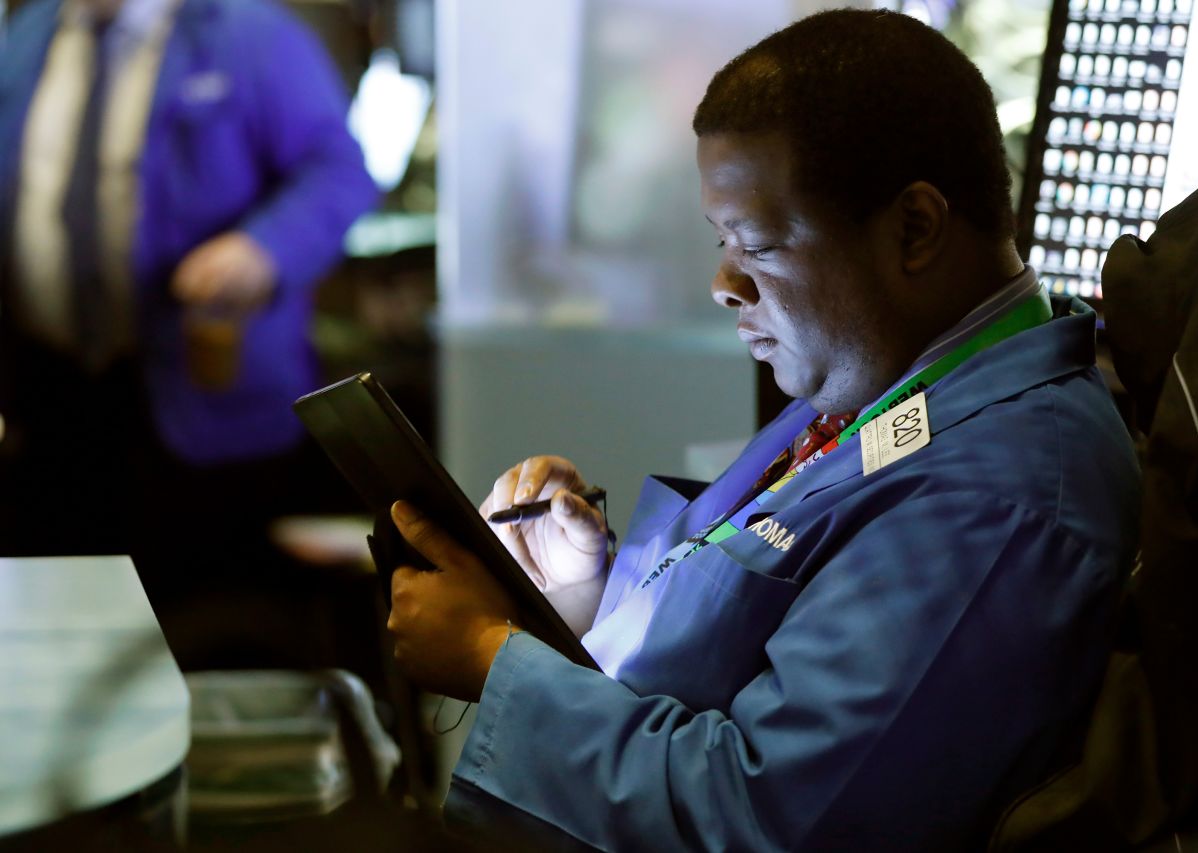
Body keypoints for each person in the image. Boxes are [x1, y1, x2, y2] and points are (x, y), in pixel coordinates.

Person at [383, 10, 1140, 851]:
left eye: (759, 245)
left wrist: (495, 659)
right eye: (719, 240)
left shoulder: (1000, 496)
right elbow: (738, 618)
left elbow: (769, 820)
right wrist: (581, 596)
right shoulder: (884, 384)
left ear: (915, 228)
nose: (723, 282)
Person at [0, 0, 377, 633]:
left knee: (202, 629)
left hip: (200, 406)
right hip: (50, 398)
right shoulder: (28, 36)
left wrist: (266, 249)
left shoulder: (251, 37)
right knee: (59, 626)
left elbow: (340, 172)